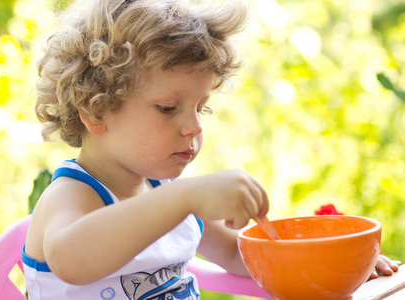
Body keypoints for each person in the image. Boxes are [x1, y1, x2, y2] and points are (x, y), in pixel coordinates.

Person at [22, 0, 400, 299]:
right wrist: (185, 198)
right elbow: (72, 260)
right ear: (96, 110)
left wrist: (335, 267)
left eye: (201, 108)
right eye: (169, 108)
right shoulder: (71, 195)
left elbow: (241, 256)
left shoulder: (165, 194)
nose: (195, 127)